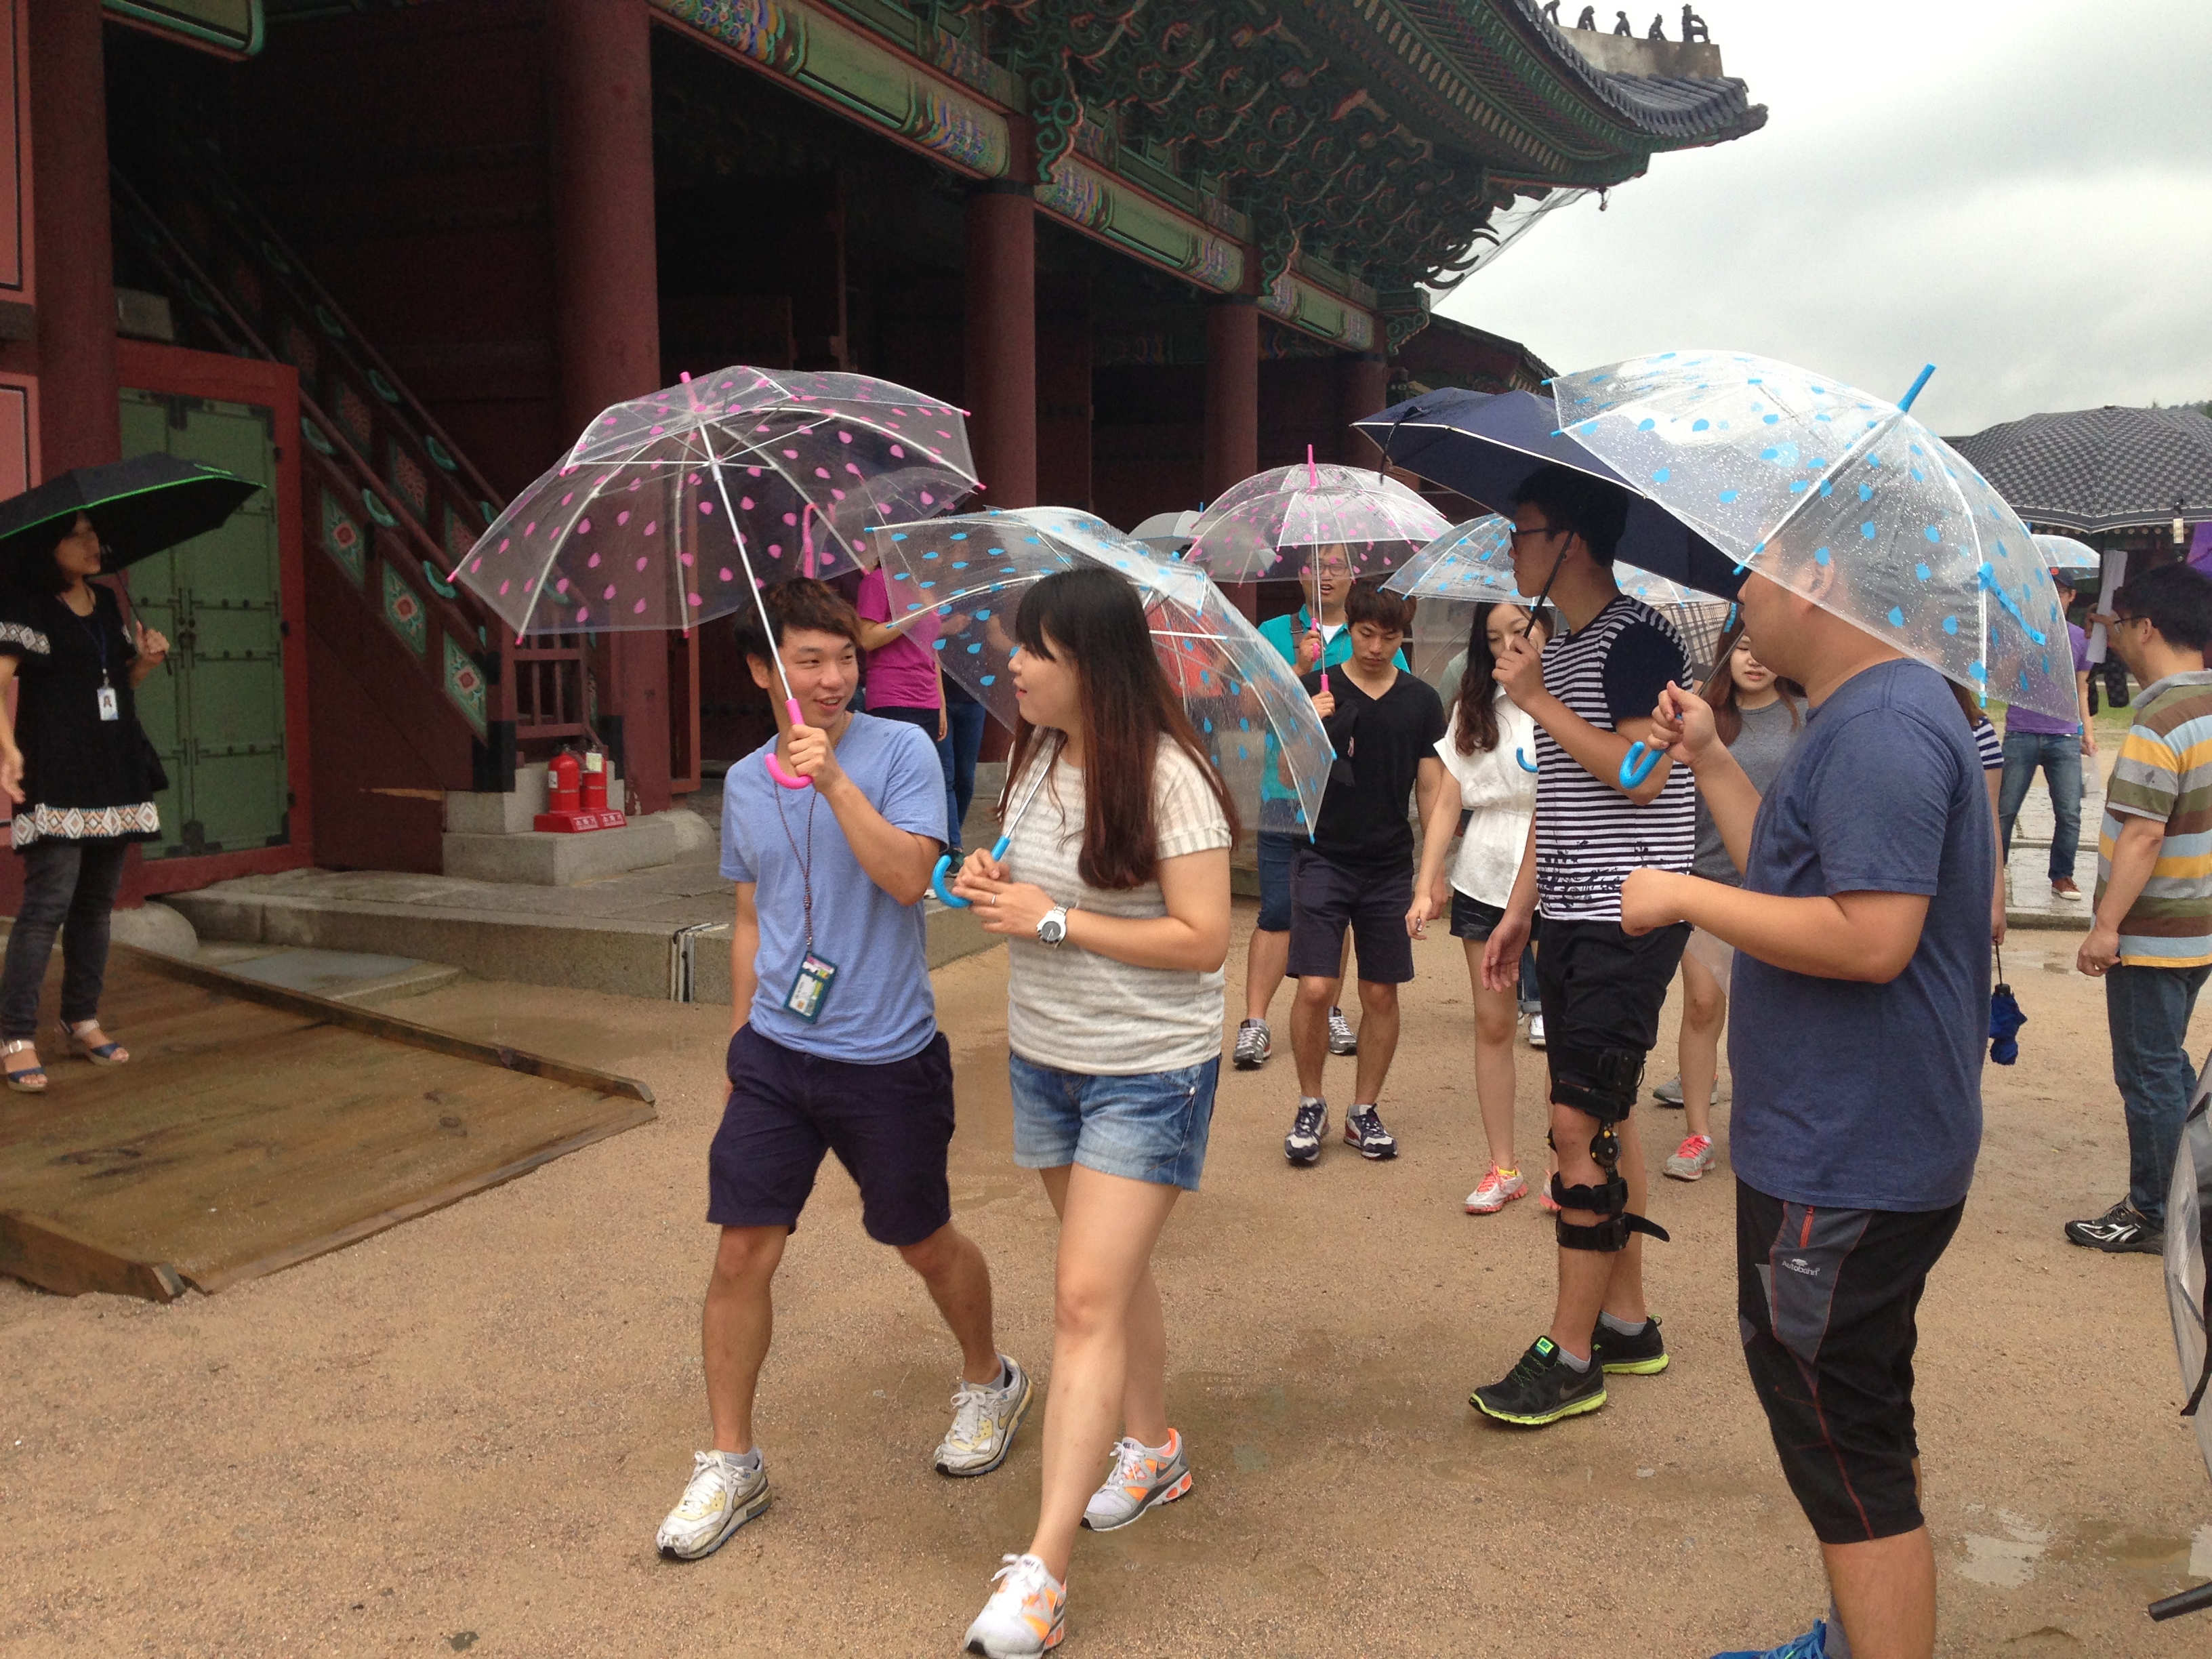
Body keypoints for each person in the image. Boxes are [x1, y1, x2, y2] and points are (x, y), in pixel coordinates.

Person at [1617, 556, 1994, 1659]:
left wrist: (1681, 894)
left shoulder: (1878, 727)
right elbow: (1795, 880)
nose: (1739, 599)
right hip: (1849, 1140)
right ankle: (1849, 1637)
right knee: (1856, 1413)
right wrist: (1709, 757)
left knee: (1843, 1449)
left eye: (1757, 573)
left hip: (1849, 1149)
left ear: (1818, 576)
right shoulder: (1860, 710)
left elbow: (1871, 939)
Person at [655, 579, 1029, 1563]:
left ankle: (990, 1379)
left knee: (921, 1239)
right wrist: (739, 1041)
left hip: (885, 1051)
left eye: (845, 658)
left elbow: (908, 879)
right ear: (761, 671)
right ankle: (733, 1461)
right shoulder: (745, 782)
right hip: (776, 1051)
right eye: (808, 661)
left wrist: (833, 782)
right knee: (742, 1250)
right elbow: (751, 915)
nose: (831, 679)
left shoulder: (900, 750)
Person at [951, 566, 1235, 1658]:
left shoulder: (1171, 776)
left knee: (1080, 1299)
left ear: (1093, 664)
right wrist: (989, 878)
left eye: (1036, 650)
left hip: (1146, 1071)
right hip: (1047, 1059)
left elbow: (1203, 939)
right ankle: (1152, 1448)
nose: (1013, 665)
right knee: (1107, 1281)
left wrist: (1053, 919)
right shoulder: (1036, 756)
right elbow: (1033, 890)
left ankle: (1043, 1575)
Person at [1470, 465, 1693, 1426]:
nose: (1510, 546)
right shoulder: (1558, 647)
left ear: (1569, 540)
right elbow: (1562, 794)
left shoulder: (1640, 639)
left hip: (1627, 914)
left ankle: (1569, 1357)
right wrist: (1519, 907)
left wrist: (1538, 700)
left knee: (1574, 1128)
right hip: (1566, 909)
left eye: (1522, 529)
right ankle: (1627, 1323)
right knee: (1606, 1114)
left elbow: (1644, 774)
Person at [2067, 562, 2212, 1255]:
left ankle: (2153, 1210)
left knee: (2147, 1072)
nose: (2115, 638)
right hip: (2199, 925)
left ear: (2147, 628)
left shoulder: (2159, 720)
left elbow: (2144, 834)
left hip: (2151, 932)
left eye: (2119, 625)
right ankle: (2190, 1188)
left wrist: (2106, 927)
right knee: (2168, 1064)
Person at [0, 512, 167, 1091]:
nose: (94, 543)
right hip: (57, 769)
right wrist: (6, 750)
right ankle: (16, 1035)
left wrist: (144, 662)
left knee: (96, 904)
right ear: (50, 547)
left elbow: (117, 683)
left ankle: (81, 1018)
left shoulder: (107, 601)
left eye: (95, 532)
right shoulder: (28, 603)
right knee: (48, 903)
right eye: (78, 535)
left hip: (113, 766)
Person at [1283, 581, 1447, 1164]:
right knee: (1316, 987)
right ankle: (1311, 1102)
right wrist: (1308, 726)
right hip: (1322, 854)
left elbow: (1431, 789)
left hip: (1389, 864)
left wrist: (1431, 875)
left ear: (1404, 637)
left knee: (1380, 991)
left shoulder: (1422, 700)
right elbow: (1288, 774)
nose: (1377, 647)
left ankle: (1363, 1110)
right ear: (1348, 630)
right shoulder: (1316, 688)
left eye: (1390, 636)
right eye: (1366, 634)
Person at [1409, 600, 1547, 1212]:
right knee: (1493, 1024)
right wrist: (1426, 880)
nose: (1507, 645)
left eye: (1520, 629)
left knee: (1566, 1024)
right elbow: (1447, 800)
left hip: (1557, 868)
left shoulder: (1572, 699)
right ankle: (1503, 1166)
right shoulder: (1475, 703)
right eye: (1493, 637)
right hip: (1485, 868)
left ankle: (1569, 1163)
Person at [1652, 631, 1803, 1183]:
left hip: (1777, 893)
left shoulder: (1808, 717)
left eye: (1764, 648)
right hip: (1707, 884)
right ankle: (1699, 1132)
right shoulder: (1701, 716)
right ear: (1724, 652)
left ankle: (1770, 1127)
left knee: (1769, 1018)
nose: (1754, 659)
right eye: (1742, 647)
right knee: (1701, 1007)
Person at [1239, 544, 1380, 1071]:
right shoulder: (1274, 632)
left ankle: (1331, 1009)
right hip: (1284, 794)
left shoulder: (1368, 632)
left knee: (1334, 911)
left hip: (1344, 798)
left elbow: (1394, 696)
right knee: (1277, 910)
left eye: (1337, 565)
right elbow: (1247, 708)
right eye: (1315, 565)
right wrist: (1298, 669)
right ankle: (1255, 1021)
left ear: (1354, 575)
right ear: (1299, 573)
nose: (1325, 575)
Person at [1996, 567, 2095, 901]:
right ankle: (1994, 872)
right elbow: (2002, 682)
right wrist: (2020, 644)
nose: (2054, 598)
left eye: (2061, 592)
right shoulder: (2021, 631)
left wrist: (2088, 732)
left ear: (2072, 596)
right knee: (2005, 809)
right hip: (2021, 731)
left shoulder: (2080, 638)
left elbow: (2082, 689)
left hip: (2063, 735)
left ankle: (2062, 875)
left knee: (2069, 812)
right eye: (2047, 591)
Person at [853, 565, 958, 852]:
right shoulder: (877, 582)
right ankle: (896, 852)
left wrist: (941, 704)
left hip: (927, 697)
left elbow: (931, 649)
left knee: (929, 780)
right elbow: (867, 638)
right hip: (893, 695)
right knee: (897, 781)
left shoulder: (925, 586)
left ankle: (925, 852)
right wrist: (916, 614)